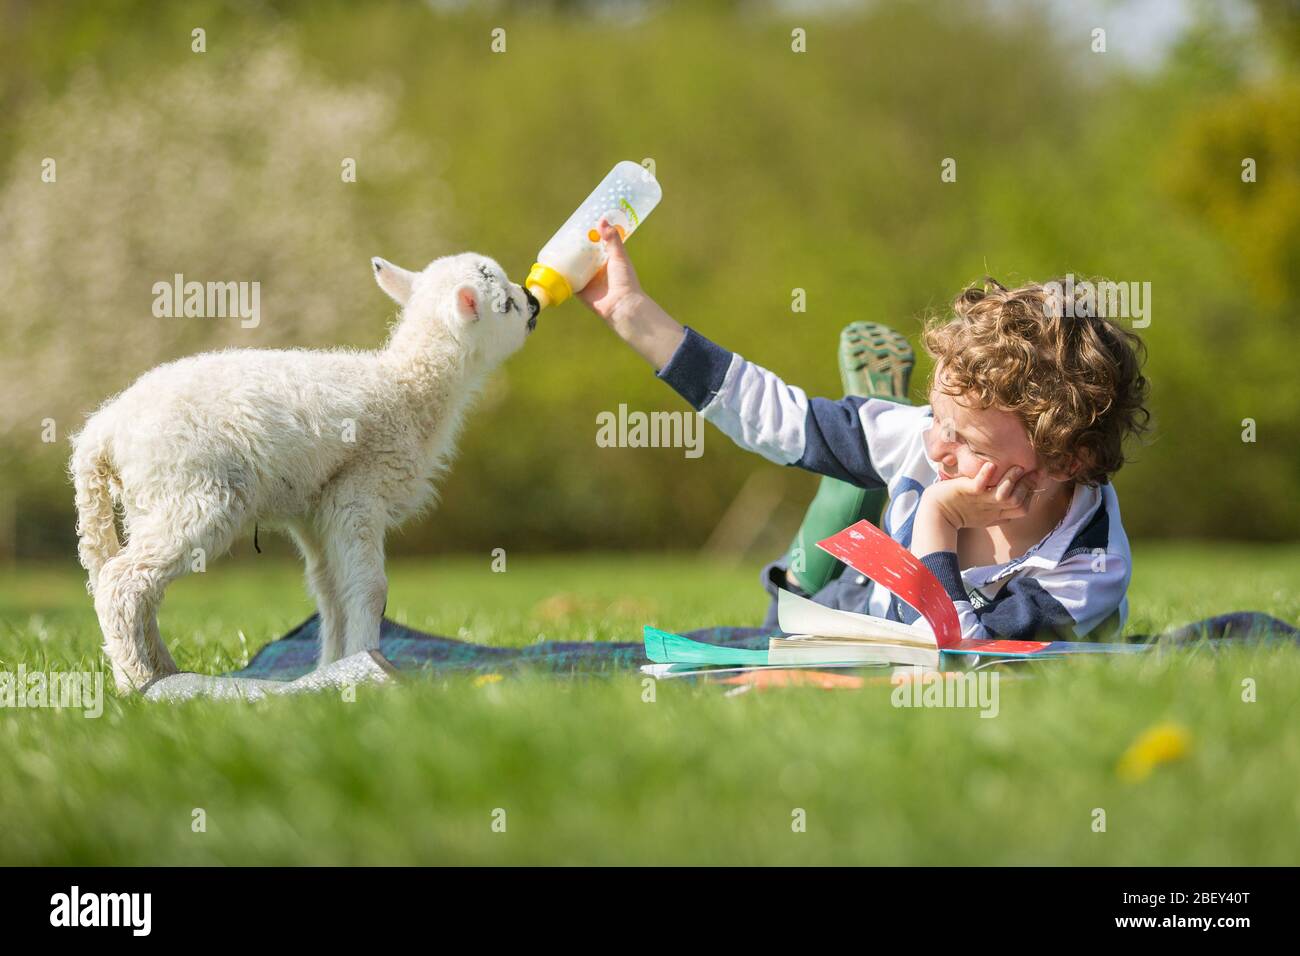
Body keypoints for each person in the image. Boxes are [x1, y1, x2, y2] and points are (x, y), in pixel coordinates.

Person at [578, 220, 1151, 641]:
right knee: (778, 611)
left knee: (858, 479)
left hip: (885, 630)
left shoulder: (1087, 564)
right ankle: (854, 463)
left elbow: (956, 658)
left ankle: (852, 477)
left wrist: (937, 517)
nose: (934, 448)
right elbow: (776, 417)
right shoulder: (926, 438)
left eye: (968, 442)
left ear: (1064, 462)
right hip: (841, 603)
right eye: (937, 419)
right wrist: (631, 312)